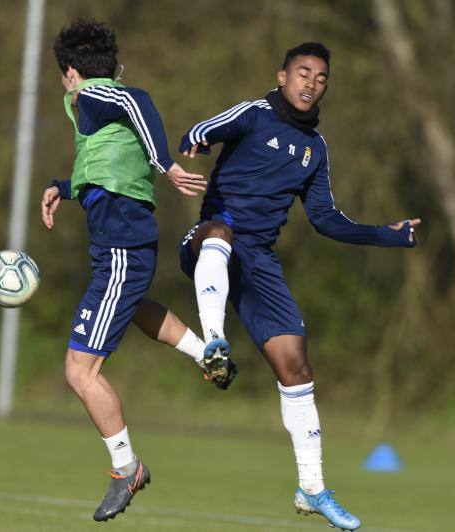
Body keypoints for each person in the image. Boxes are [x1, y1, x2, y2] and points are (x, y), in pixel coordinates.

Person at [177, 42, 421, 531]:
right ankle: (214, 340)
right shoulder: (254, 113)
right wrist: (195, 141)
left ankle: (311, 489)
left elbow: (326, 220)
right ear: (283, 76)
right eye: (303, 73)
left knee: (296, 365)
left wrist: (384, 235)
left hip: (259, 263)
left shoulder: (317, 149)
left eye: (322, 77)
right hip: (208, 240)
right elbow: (201, 129)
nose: (312, 83)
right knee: (221, 233)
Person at [40, 19, 221, 522]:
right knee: (134, 309)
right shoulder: (95, 111)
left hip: (121, 245)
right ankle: (206, 352)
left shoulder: (93, 96)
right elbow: (105, 164)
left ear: (71, 72)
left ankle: (127, 468)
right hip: (123, 244)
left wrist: (164, 164)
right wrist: (64, 185)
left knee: (80, 371)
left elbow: (135, 101)